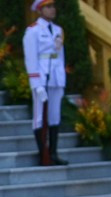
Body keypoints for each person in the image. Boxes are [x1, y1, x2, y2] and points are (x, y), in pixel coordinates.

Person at [23, 0, 67, 166]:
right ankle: (44, 153)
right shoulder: (33, 31)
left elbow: (61, 57)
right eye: (48, 7)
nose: (52, 9)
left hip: (56, 77)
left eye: (53, 6)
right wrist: (36, 83)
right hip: (42, 76)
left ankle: (54, 153)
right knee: (40, 117)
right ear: (40, 10)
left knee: (54, 116)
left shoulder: (58, 30)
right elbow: (31, 58)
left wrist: (62, 80)